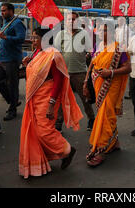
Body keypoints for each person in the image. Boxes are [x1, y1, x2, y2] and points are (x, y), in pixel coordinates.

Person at [19, 28, 83, 179]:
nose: (33, 41)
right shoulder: (37, 53)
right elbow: (35, 74)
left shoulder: (53, 55)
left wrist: (51, 104)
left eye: (36, 38)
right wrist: (28, 63)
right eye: (32, 37)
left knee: (44, 131)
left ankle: (67, 150)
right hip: (34, 98)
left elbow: (59, 81)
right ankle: (39, 161)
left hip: (47, 98)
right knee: (34, 130)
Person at [84, 25, 131, 167]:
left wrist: (110, 73)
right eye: (99, 30)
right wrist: (86, 82)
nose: (101, 32)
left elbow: (128, 67)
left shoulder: (118, 48)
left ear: (111, 32)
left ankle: (101, 149)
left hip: (111, 85)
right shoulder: (97, 46)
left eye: (105, 30)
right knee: (106, 114)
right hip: (98, 85)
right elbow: (92, 65)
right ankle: (114, 141)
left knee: (105, 115)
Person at [54, 11, 95, 131]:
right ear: (65, 22)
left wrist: (88, 55)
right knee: (62, 99)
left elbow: (89, 51)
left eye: (73, 19)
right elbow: (55, 52)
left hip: (80, 72)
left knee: (85, 98)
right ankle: (58, 123)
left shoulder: (84, 34)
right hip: (64, 73)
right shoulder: (60, 34)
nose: (71, 21)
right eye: (69, 19)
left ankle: (91, 119)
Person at [0, 3, 26, 121]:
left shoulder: (17, 23)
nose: (2, 13)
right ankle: (13, 101)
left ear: (11, 11)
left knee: (12, 85)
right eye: (1, 11)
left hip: (12, 59)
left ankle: (12, 110)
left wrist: (6, 37)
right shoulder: (5, 23)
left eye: (4, 10)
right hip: (2, 58)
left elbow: (21, 38)